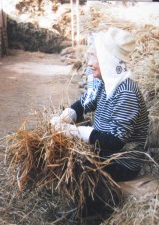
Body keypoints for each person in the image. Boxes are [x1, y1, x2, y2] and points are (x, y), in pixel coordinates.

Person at [51, 27, 149, 218]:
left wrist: (73, 132)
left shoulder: (125, 91)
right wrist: (68, 115)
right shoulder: (105, 81)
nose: (88, 63)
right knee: (70, 160)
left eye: (93, 57)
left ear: (108, 59)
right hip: (104, 151)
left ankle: (89, 216)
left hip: (121, 161)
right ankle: (81, 207)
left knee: (82, 169)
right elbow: (85, 102)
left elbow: (115, 141)